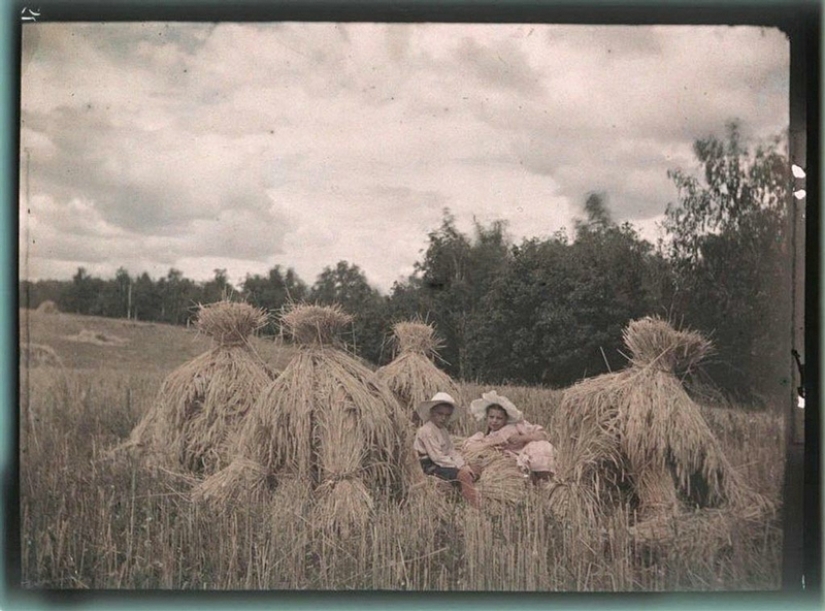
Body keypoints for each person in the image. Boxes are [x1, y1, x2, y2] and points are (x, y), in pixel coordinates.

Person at [463, 390, 557, 484]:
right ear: (486, 417)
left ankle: (542, 479)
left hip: (522, 459)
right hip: (503, 462)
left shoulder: (515, 427)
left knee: (540, 447)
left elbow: (542, 435)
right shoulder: (485, 436)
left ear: (506, 419)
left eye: (499, 418)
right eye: (491, 417)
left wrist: (520, 439)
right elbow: (471, 448)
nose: (494, 421)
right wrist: (494, 443)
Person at [413, 392, 481, 508]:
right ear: (431, 413)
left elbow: (451, 451)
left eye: (447, 415)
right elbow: (437, 457)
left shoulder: (443, 430)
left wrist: (462, 464)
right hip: (429, 465)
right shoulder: (427, 431)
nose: (443, 418)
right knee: (463, 475)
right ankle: (474, 505)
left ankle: (467, 489)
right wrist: (460, 469)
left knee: (475, 467)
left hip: (442, 462)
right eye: (440, 414)